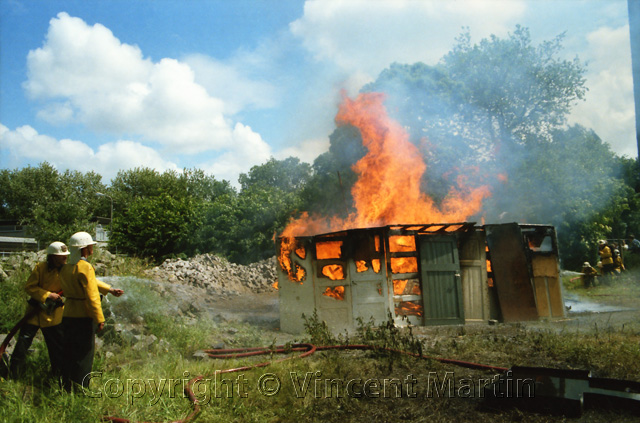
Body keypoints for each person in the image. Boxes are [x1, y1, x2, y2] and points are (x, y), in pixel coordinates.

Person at [59, 231, 124, 391]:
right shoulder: (86, 267)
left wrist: (109, 289)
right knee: (84, 356)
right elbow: (92, 295)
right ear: (84, 248)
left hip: (67, 315)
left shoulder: (67, 267)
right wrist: (99, 319)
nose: (92, 249)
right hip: (83, 317)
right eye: (90, 246)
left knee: (69, 353)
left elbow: (90, 281)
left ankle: (66, 386)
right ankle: (81, 390)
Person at [9, 242, 69, 379]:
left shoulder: (67, 270)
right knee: (22, 346)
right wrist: (48, 295)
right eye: (62, 256)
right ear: (53, 257)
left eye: (66, 256)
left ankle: (57, 377)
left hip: (54, 316)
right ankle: (13, 375)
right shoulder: (40, 268)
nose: (65, 258)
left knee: (57, 349)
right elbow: (29, 287)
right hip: (34, 314)